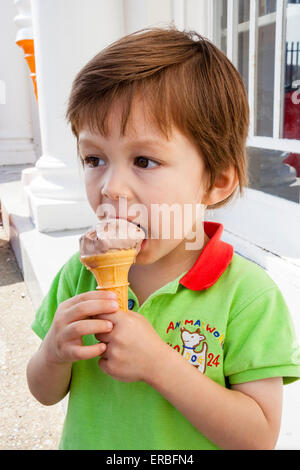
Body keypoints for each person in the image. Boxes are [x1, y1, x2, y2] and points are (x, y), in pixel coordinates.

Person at [26, 27, 300, 450]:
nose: (111, 187)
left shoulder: (247, 296)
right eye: (94, 158)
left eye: (144, 160)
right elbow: (44, 392)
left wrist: (160, 366)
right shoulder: (78, 279)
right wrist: (53, 354)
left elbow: (257, 437)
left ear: (218, 181)